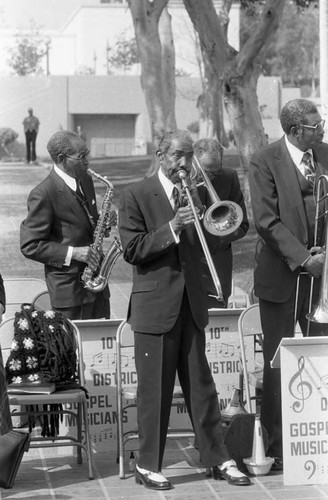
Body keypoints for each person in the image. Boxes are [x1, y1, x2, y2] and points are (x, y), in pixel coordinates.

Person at [118, 129, 250, 490]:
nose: (184, 163)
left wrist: (210, 215)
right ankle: (147, 466)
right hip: (154, 307)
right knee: (154, 392)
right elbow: (133, 249)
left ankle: (217, 457)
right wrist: (172, 228)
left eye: (188, 156)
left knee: (202, 387)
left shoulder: (195, 192)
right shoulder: (136, 194)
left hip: (191, 303)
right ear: (160, 155)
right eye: (178, 155)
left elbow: (216, 235)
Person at [249, 99, 328, 472]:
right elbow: (266, 219)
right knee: (277, 362)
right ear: (297, 131)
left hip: (322, 278)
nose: (323, 129)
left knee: (323, 360)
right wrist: (303, 257)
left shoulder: (325, 154)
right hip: (283, 275)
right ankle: (277, 445)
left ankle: (320, 438)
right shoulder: (264, 161)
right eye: (316, 125)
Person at [20, 129, 117, 320]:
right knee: (72, 348)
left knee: (101, 347)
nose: (88, 161)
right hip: (70, 293)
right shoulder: (43, 193)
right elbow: (30, 245)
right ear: (62, 158)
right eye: (82, 157)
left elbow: (86, 224)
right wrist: (74, 253)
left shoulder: (86, 180)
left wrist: (102, 222)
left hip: (97, 286)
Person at [194, 138, 249, 308]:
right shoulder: (180, 180)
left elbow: (242, 225)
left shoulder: (228, 176)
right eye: (206, 172)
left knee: (218, 316)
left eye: (215, 172)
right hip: (190, 261)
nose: (210, 177)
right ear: (194, 162)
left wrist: (221, 233)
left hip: (219, 261)